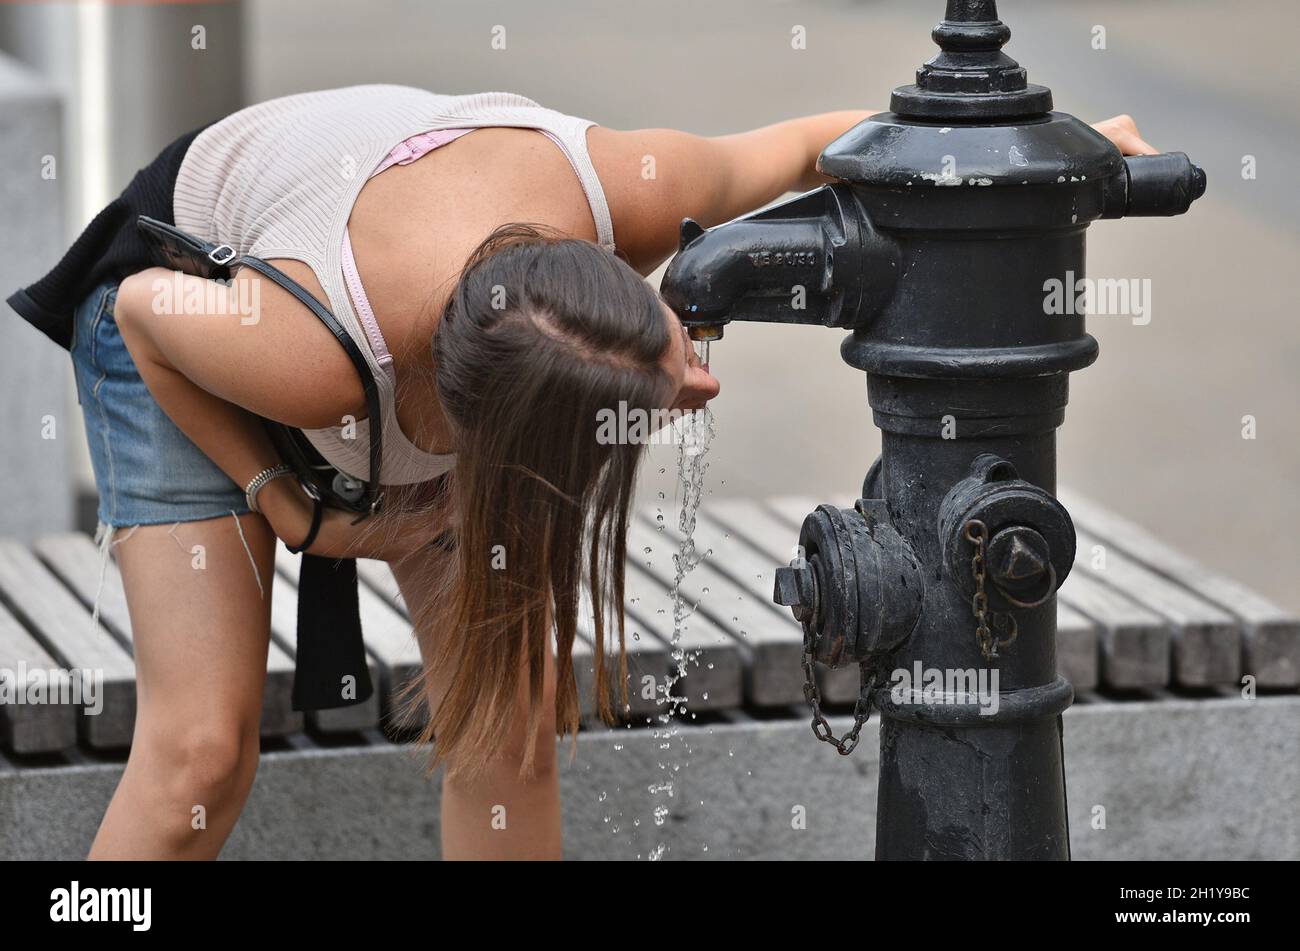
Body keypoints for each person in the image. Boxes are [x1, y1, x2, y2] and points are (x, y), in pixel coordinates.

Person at [6, 84, 1158, 859]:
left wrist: (1046, 162)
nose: (700, 387)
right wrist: (295, 505)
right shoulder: (305, 358)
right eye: (658, 395)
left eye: (675, 342)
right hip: (188, 312)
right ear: (521, 449)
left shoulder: (638, 190)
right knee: (200, 754)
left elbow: (824, 144)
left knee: (510, 739)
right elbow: (154, 322)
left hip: (423, 339)